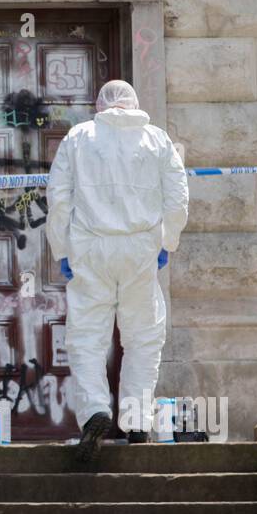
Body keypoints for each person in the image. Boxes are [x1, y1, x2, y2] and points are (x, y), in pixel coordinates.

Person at [45, 80, 189, 461]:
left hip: (90, 248)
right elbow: (178, 199)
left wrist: (61, 249)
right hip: (141, 248)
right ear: (135, 103)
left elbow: (58, 200)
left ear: (100, 105)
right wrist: (166, 242)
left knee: (86, 338)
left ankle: (95, 410)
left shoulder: (78, 138)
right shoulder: (157, 140)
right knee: (143, 337)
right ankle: (137, 419)